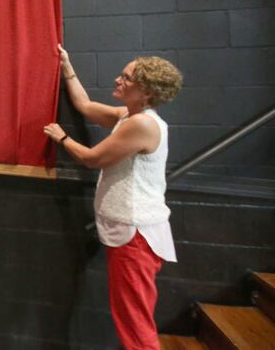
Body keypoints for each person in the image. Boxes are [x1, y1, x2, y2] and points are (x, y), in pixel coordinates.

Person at [44, 44, 183, 350]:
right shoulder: (129, 115)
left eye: (127, 78)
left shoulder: (142, 124)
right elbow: (84, 105)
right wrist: (67, 64)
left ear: (146, 92)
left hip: (136, 236)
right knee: (131, 316)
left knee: (134, 322)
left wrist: (62, 138)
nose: (118, 80)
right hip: (131, 235)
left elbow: (94, 159)